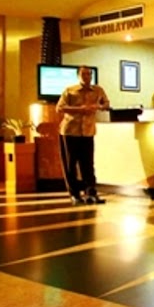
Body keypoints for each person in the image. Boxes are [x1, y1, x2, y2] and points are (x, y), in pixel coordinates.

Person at [56, 65, 110, 205]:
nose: (87, 77)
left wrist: (98, 107)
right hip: (70, 131)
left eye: (89, 74)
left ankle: (91, 193)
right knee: (71, 165)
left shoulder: (98, 90)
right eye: (84, 74)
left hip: (87, 132)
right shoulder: (70, 90)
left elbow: (106, 104)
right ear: (78, 76)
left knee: (88, 164)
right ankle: (74, 195)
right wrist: (80, 109)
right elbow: (59, 108)